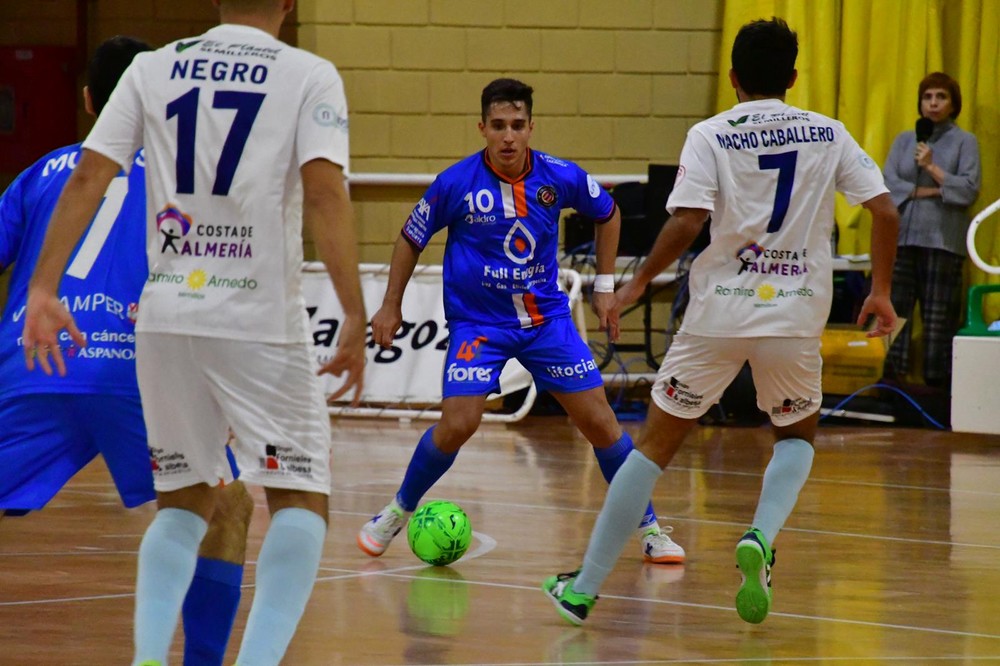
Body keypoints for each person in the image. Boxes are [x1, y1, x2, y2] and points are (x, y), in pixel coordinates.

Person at [19, 2, 367, 664]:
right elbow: (326, 195)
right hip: (259, 316)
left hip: (168, 314)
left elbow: (90, 177)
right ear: (289, 5)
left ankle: (149, 657)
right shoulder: (308, 73)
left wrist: (43, 289)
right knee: (299, 500)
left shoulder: (154, 67)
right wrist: (353, 310)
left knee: (181, 503)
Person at [543, 17, 900, 626]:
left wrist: (633, 285)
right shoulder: (830, 133)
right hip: (793, 316)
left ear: (732, 78)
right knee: (794, 437)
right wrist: (882, 292)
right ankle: (760, 537)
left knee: (653, 447)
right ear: (791, 77)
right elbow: (886, 212)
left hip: (717, 313)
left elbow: (685, 223)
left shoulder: (710, 133)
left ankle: (584, 588)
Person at [0, 35, 255, 666]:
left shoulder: (43, 172)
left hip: (31, 360)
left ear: (89, 101)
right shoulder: (189, 185)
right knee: (227, 507)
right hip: (134, 373)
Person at [357, 78, 685, 566]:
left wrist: (603, 287)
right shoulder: (455, 183)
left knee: (600, 422)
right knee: (458, 424)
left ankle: (650, 529)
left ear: (531, 127)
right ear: (482, 128)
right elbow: (410, 238)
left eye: (516, 126)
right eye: (497, 126)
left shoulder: (558, 176)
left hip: (546, 322)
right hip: (479, 325)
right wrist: (390, 304)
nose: (507, 136)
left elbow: (609, 213)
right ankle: (397, 510)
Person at [882, 72, 981, 388]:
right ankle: (887, 381)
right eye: (928, 97)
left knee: (938, 319)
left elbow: (968, 190)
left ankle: (938, 388)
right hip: (901, 239)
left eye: (941, 97)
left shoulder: (966, 141)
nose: (933, 103)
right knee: (891, 313)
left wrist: (931, 168)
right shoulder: (904, 139)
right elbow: (886, 184)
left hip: (942, 242)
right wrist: (933, 191)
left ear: (953, 104)